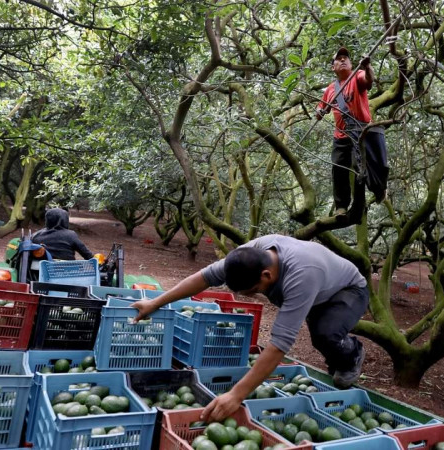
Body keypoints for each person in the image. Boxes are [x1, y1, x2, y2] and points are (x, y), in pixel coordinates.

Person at [131, 234, 369, 422]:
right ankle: (337, 352)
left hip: (348, 291)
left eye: (253, 290)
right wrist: (155, 302)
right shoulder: (249, 255)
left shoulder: (302, 275)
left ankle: (353, 353)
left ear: (266, 275)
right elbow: (202, 278)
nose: (251, 295)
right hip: (318, 291)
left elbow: (280, 344)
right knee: (322, 334)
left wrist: (236, 395)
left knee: (326, 334)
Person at [316, 46, 389, 217]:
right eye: (338, 59)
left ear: (351, 63)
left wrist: (367, 66)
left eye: (345, 58)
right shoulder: (330, 89)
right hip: (341, 135)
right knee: (338, 168)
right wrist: (319, 112)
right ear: (333, 67)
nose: (342, 60)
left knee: (361, 167)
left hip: (361, 131)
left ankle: (370, 195)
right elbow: (320, 111)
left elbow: (369, 80)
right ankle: (341, 206)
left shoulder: (357, 77)